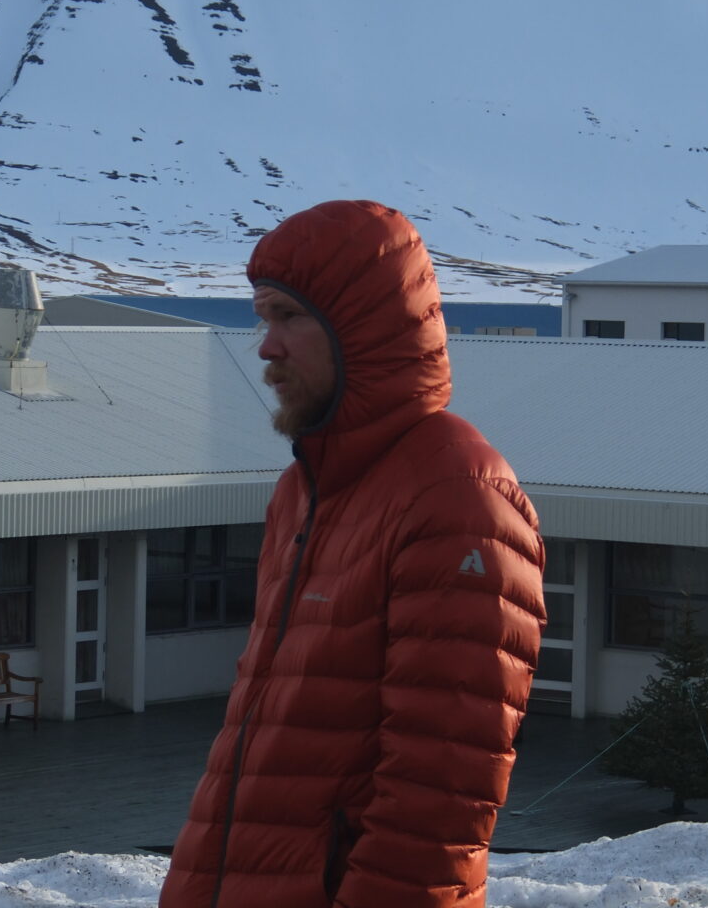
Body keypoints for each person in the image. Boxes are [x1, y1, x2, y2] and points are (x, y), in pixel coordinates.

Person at [159, 200, 546, 908]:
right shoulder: (303, 492)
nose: (265, 348)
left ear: (362, 327)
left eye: (288, 316)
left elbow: (440, 797)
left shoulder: (455, 497)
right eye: (260, 319)